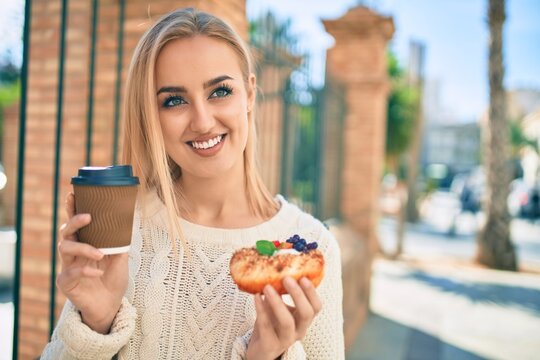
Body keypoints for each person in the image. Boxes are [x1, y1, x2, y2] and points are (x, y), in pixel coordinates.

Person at [41, 8, 344, 359]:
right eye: (174, 101)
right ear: (152, 116)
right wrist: (97, 322)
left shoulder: (314, 245)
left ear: (249, 94)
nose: (202, 121)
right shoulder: (124, 231)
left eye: (220, 92)